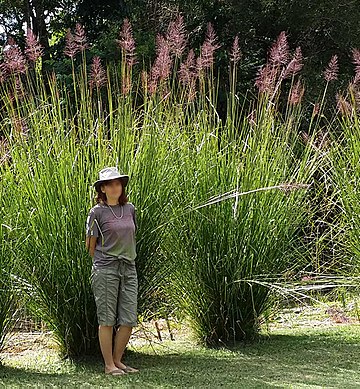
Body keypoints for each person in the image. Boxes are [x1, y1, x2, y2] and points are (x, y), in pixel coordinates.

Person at [85, 166, 139, 376]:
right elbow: (90, 246)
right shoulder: (97, 212)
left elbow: (132, 236)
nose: (115, 187)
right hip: (106, 268)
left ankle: (118, 361)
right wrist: (105, 259)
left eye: (118, 183)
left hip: (129, 267)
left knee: (128, 317)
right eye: (110, 184)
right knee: (106, 318)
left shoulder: (130, 209)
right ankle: (109, 365)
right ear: (103, 188)